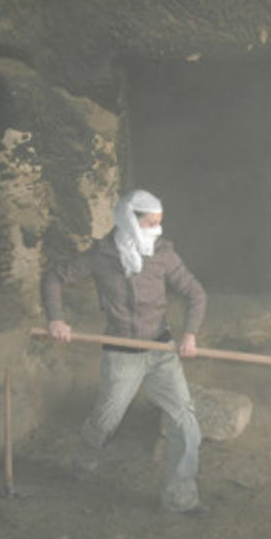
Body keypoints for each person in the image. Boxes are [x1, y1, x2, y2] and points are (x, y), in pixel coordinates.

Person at [41, 189, 209, 516]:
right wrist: (56, 319)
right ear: (129, 221)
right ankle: (84, 460)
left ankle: (180, 497)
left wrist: (189, 333)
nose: (156, 230)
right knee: (106, 420)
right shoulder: (101, 256)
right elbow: (54, 277)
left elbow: (196, 293)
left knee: (185, 422)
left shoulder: (163, 254)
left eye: (160, 223)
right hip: (121, 352)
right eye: (150, 223)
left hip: (161, 349)